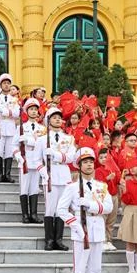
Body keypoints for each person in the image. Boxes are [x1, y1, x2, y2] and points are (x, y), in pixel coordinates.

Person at [57, 147, 112, 273]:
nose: (89, 165)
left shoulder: (101, 186)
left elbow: (109, 207)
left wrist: (90, 205)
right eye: (85, 162)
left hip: (97, 229)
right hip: (81, 231)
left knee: (95, 269)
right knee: (80, 269)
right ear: (79, 166)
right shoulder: (72, 187)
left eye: (91, 162)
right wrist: (75, 225)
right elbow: (61, 210)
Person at [36, 107, 76, 251]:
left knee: (61, 208)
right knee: (50, 208)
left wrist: (55, 155)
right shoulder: (41, 139)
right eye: (54, 117)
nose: (58, 120)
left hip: (64, 174)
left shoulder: (69, 138)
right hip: (50, 175)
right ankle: (49, 239)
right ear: (48, 120)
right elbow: (36, 160)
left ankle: (58, 240)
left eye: (59, 117)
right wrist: (44, 173)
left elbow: (71, 157)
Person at [14, 98, 46, 224]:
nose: (33, 112)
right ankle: (25, 215)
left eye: (35, 110)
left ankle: (34, 214)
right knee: (24, 188)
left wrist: (29, 140)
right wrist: (19, 157)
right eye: (31, 109)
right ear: (26, 112)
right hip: (25, 160)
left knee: (34, 188)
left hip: (37, 161)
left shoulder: (42, 129)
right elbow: (14, 145)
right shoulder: (21, 127)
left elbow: (42, 144)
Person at [0, 73, 20, 183]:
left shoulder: (14, 100)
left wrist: (5, 112)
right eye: (4, 83)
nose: (7, 85)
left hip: (10, 128)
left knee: (9, 152)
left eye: (8, 83)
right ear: (0, 85)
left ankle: (7, 175)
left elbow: (17, 113)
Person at [94, 148, 121, 251]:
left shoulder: (114, 169)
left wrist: (119, 176)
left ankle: (109, 240)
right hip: (104, 197)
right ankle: (103, 240)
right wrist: (107, 178)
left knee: (111, 220)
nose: (103, 159)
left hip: (114, 196)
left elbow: (118, 181)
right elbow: (99, 185)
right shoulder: (98, 170)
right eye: (101, 158)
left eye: (106, 157)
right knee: (103, 219)